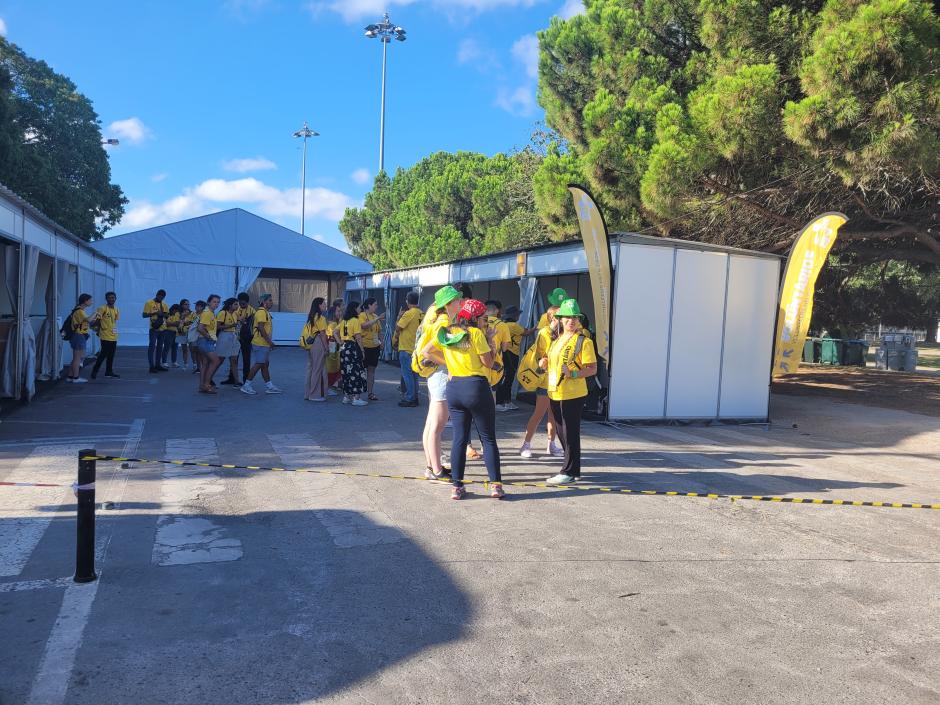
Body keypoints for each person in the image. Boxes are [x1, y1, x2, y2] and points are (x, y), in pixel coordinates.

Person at [422, 298, 504, 500]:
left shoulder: (447, 332)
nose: (486, 322)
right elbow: (488, 362)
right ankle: (496, 485)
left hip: (455, 388)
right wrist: (491, 342)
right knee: (488, 438)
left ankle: (457, 486)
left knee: (459, 438)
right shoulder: (476, 334)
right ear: (476, 318)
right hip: (476, 386)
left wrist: (449, 365)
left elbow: (426, 351)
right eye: (484, 318)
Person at [540, 299, 598, 484]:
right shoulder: (556, 340)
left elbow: (592, 369)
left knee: (570, 432)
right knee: (561, 431)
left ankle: (568, 471)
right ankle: (574, 468)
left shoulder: (584, 341)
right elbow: (553, 364)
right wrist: (544, 364)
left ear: (579, 320)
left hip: (573, 393)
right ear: (560, 319)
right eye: (567, 317)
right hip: (555, 391)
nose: (571, 321)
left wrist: (573, 373)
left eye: (574, 317)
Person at [418, 285, 462, 480]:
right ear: (449, 304)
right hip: (440, 374)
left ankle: (431, 466)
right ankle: (436, 469)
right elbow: (428, 350)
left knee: (431, 424)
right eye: (458, 300)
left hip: (435, 374)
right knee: (438, 425)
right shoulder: (444, 321)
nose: (460, 303)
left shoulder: (436, 317)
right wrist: (450, 365)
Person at [520, 309, 562, 459]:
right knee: (539, 413)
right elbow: (542, 355)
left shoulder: (564, 333)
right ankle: (526, 444)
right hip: (545, 380)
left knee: (554, 415)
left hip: (558, 380)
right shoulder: (544, 332)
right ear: (552, 318)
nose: (563, 319)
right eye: (559, 317)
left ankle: (551, 444)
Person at [241, 293, 282, 395]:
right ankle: (246, 385)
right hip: (260, 343)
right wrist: (270, 342)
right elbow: (261, 328)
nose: (272, 302)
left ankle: (269, 386)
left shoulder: (265, 312)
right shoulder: (261, 312)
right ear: (264, 302)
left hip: (263, 343)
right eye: (270, 300)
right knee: (259, 363)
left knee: (264, 364)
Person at [394, 291, 422, 407]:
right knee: (414, 375)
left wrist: (399, 317)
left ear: (407, 301)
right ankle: (414, 397)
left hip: (406, 348)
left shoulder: (409, 313)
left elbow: (398, 327)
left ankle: (410, 397)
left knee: (407, 375)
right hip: (416, 348)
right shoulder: (422, 313)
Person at [337, 301, 368, 406]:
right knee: (356, 372)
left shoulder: (344, 320)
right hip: (353, 348)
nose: (360, 309)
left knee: (346, 372)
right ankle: (356, 398)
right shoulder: (355, 320)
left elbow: (334, 332)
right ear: (354, 308)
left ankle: (346, 396)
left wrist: (340, 341)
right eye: (359, 308)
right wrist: (362, 350)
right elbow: (358, 337)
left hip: (344, 348)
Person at [301, 297, 329, 402]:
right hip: (318, 343)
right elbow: (322, 334)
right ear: (319, 305)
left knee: (311, 368)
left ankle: (308, 393)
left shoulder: (312, 316)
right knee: (318, 369)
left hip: (311, 344)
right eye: (324, 304)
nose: (325, 305)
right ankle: (315, 395)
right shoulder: (320, 318)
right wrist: (326, 348)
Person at [496, 305, 523, 410]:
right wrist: (535, 328)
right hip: (512, 355)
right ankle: (504, 401)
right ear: (515, 316)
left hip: (504, 354)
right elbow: (526, 332)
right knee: (508, 378)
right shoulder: (514, 326)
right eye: (518, 315)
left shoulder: (503, 325)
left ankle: (504, 401)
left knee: (503, 377)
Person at [65, 293, 96, 384]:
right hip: (78, 336)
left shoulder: (79, 310)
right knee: (78, 357)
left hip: (79, 335)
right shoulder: (79, 311)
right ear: (85, 301)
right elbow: (89, 320)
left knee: (76, 357)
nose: (91, 302)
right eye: (90, 300)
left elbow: (86, 321)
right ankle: (76, 377)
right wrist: (95, 313)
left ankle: (70, 376)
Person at [358, 297, 385, 401]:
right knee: (361, 370)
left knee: (371, 370)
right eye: (375, 305)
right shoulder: (362, 315)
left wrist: (381, 342)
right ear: (369, 305)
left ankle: (370, 393)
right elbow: (363, 326)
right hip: (364, 347)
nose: (376, 306)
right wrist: (377, 319)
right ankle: (358, 393)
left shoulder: (375, 316)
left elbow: (379, 331)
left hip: (375, 347)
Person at [484, 299, 511, 401]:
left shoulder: (480, 322)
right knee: (492, 392)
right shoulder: (502, 325)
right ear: (497, 311)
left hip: (481, 361)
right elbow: (505, 348)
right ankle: (491, 415)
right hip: (495, 362)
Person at [196, 294, 223, 394]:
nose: (216, 304)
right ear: (208, 302)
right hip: (205, 341)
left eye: (218, 302)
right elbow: (200, 328)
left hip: (204, 341)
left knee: (205, 364)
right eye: (214, 302)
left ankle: (202, 386)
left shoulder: (210, 313)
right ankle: (207, 385)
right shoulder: (207, 313)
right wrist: (208, 337)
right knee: (216, 361)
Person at [90, 291, 120, 379]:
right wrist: (96, 329)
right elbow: (97, 320)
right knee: (103, 354)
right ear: (106, 299)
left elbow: (114, 321)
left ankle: (109, 372)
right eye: (109, 297)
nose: (111, 299)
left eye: (113, 297)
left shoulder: (116, 309)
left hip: (113, 336)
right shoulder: (102, 308)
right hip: (105, 335)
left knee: (111, 355)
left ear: (115, 299)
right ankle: (95, 371)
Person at [216, 298, 241, 386]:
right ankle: (209, 378)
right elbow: (218, 327)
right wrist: (231, 325)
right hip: (224, 336)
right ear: (230, 305)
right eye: (235, 304)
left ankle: (236, 381)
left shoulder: (235, 313)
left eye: (237, 304)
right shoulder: (223, 313)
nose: (237, 306)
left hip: (233, 336)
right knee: (220, 359)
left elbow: (238, 323)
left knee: (234, 359)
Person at [143, 289, 169, 373]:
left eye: (163, 297)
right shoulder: (149, 303)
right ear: (157, 295)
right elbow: (144, 315)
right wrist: (155, 313)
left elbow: (167, 315)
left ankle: (158, 365)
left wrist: (163, 314)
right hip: (154, 329)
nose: (161, 298)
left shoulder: (164, 304)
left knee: (160, 347)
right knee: (152, 347)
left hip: (163, 328)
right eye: (160, 296)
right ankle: (151, 366)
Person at [325, 298, 344, 396]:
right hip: (332, 345)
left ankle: (333, 384)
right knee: (331, 367)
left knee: (336, 366)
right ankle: (327, 387)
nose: (340, 312)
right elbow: (332, 335)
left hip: (335, 346)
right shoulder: (332, 323)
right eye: (338, 311)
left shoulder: (336, 322)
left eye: (340, 311)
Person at [235, 292, 255, 382]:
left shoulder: (252, 311)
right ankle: (232, 378)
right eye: (239, 303)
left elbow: (253, 326)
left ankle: (245, 380)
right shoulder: (235, 309)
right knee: (233, 358)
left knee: (246, 360)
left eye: (243, 303)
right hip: (235, 338)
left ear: (247, 302)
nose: (241, 305)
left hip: (246, 339)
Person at [177, 299, 195, 370]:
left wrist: (187, 323)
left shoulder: (192, 313)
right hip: (182, 332)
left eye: (188, 304)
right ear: (182, 305)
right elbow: (178, 323)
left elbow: (194, 322)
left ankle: (194, 364)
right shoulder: (178, 313)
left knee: (192, 349)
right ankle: (185, 364)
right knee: (184, 349)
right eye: (185, 304)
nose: (187, 306)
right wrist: (183, 316)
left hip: (191, 333)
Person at [189, 300, 206, 375]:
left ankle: (204, 368)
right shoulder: (194, 314)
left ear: (202, 307)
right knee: (196, 352)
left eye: (198, 306)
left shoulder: (205, 315)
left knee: (201, 352)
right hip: (194, 335)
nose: (196, 307)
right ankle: (199, 368)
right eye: (196, 306)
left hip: (201, 336)